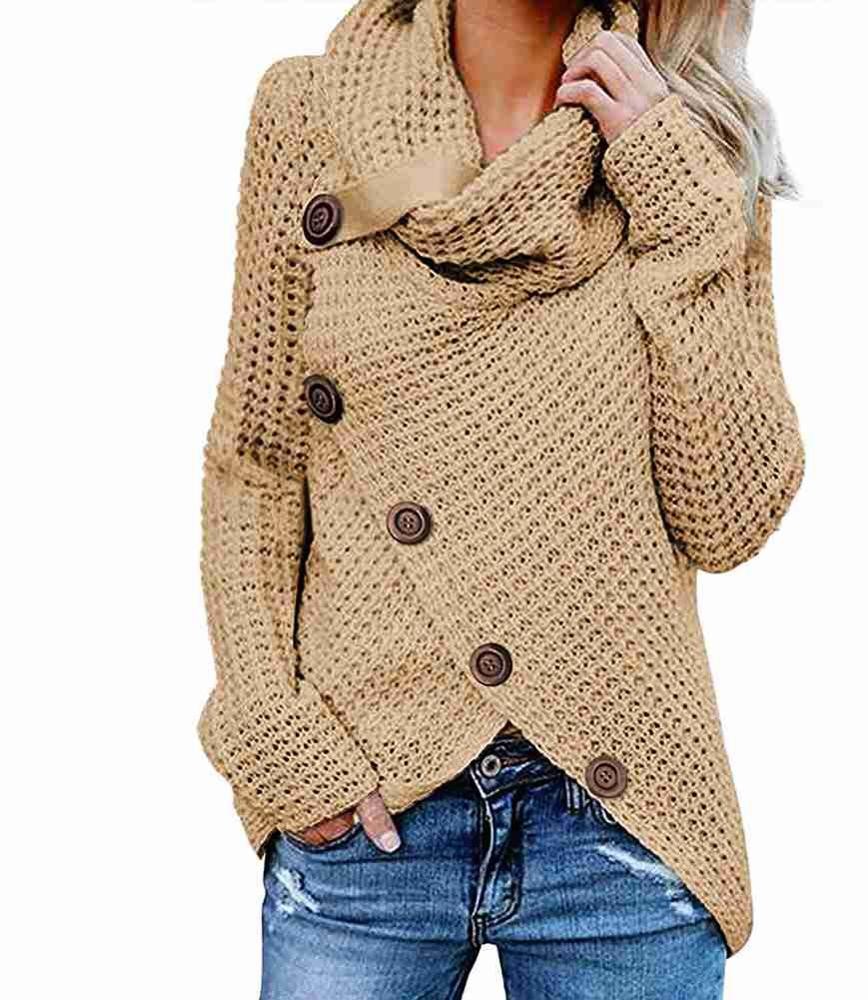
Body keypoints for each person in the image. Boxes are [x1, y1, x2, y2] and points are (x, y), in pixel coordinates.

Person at [196, 0, 805, 995]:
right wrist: (270, 728)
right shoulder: (311, 111)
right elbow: (256, 465)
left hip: (621, 815)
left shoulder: (684, 141)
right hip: (367, 797)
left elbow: (730, 515)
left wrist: (679, 206)